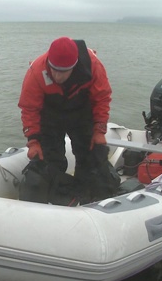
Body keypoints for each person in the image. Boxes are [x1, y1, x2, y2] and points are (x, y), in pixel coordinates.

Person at [18, 36, 117, 205]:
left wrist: (99, 130)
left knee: (88, 155)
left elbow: (102, 98)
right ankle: (59, 198)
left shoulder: (93, 66)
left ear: (75, 65)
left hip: (81, 112)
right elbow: (29, 108)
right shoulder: (37, 71)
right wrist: (33, 141)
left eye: (63, 71)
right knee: (50, 159)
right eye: (53, 69)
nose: (57, 75)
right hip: (51, 115)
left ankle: (87, 196)